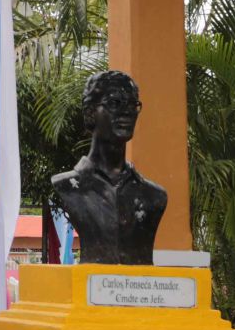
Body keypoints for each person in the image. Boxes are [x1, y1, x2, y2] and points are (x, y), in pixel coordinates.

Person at [50, 70, 168, 265]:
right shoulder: (66, 186)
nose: (127, 112)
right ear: (90, 113)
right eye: (114, 103)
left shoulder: (154, 196)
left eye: (132, 104)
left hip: (141, 293)